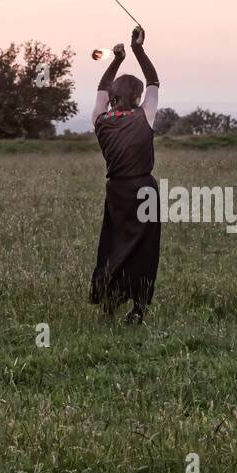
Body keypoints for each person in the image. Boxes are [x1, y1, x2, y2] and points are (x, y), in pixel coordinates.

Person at [89, 26, 161, 324]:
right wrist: (138, 49)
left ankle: (109, 303)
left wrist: (116, 59)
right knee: (145, 251)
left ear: (113, 97)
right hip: (145, 191)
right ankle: (138, 310)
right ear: (137, 96)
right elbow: (154, 80)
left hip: (116, 192)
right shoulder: (144, 116)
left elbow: (101, 93)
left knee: (114, 245)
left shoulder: (101, 120)